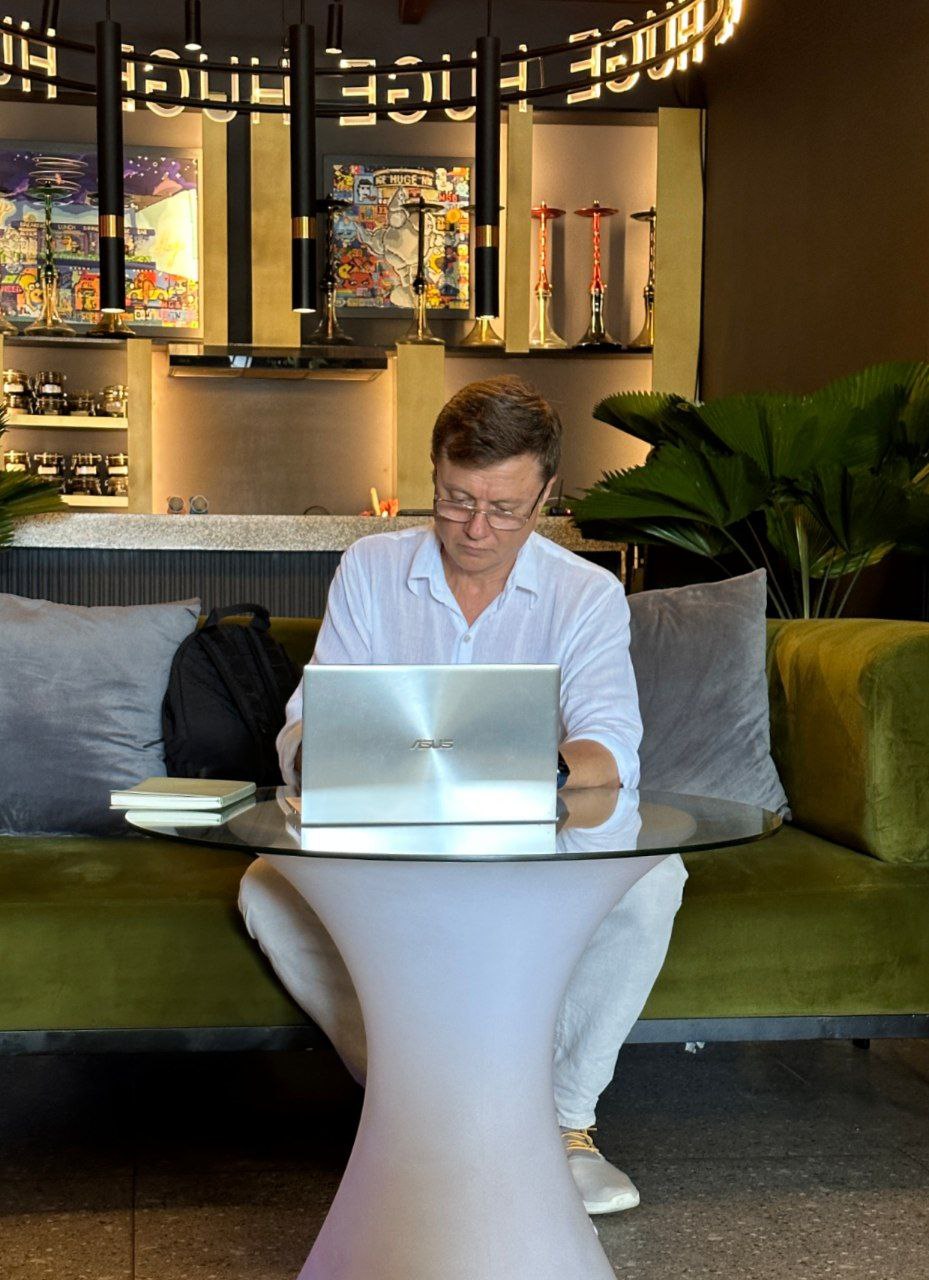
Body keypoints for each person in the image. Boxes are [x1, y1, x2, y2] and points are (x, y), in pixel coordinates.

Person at [239, 375, 687, 1215]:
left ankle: (562, 1124)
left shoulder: (585, 592)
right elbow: (304, 725)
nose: (476, 530)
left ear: (546, 497)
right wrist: (321, 750)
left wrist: (514, 767)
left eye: (505, 509)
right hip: (391, 837)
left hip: (530, 836)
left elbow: (608, 750)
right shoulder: (370, 568)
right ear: (433, 475)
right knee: (266, 888)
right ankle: (426, 1105)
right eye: (456, 501)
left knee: (653, 881)